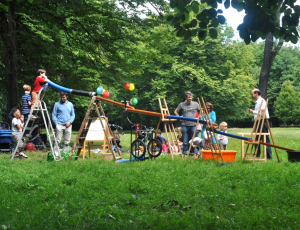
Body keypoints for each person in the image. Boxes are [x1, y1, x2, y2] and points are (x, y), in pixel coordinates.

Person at [248, 88, 272, 159]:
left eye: (252, 94)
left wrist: (253, 111)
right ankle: (257, 154)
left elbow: (262, 112)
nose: (252, 95)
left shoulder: (261, 101)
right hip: (258, 121)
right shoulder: (258, 101)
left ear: (256, 93)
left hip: (263, 120)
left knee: (265, 138)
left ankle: (268, 155)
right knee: (257, 138)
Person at [174, 91, 200, 155]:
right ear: (186, 97)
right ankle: (185, 151)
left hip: (193, 124)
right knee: (185, 138)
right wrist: (179, 117)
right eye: (189, 97)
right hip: (184, 124)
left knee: (193, 139)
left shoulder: (195, 104)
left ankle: (193, 151)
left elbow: (201, 111)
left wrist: (199, 117)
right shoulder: (181, 104)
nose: (190, 98)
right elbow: (175, 111)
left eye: (191, 97)